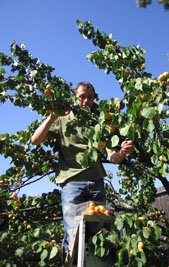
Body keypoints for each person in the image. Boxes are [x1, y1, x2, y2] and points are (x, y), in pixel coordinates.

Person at [31, 81, 133, 260]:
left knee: (97, 235)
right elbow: (35, 140)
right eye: (82, 97)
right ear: (75, 97)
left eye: (90, 97)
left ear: (94, 99)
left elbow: (112, 157)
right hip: (72, 184)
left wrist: (123, 152)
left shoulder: (99, 122)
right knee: (73, 235)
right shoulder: (63, 119)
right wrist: (52, 117)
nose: (86, 101)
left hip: (96, 182)